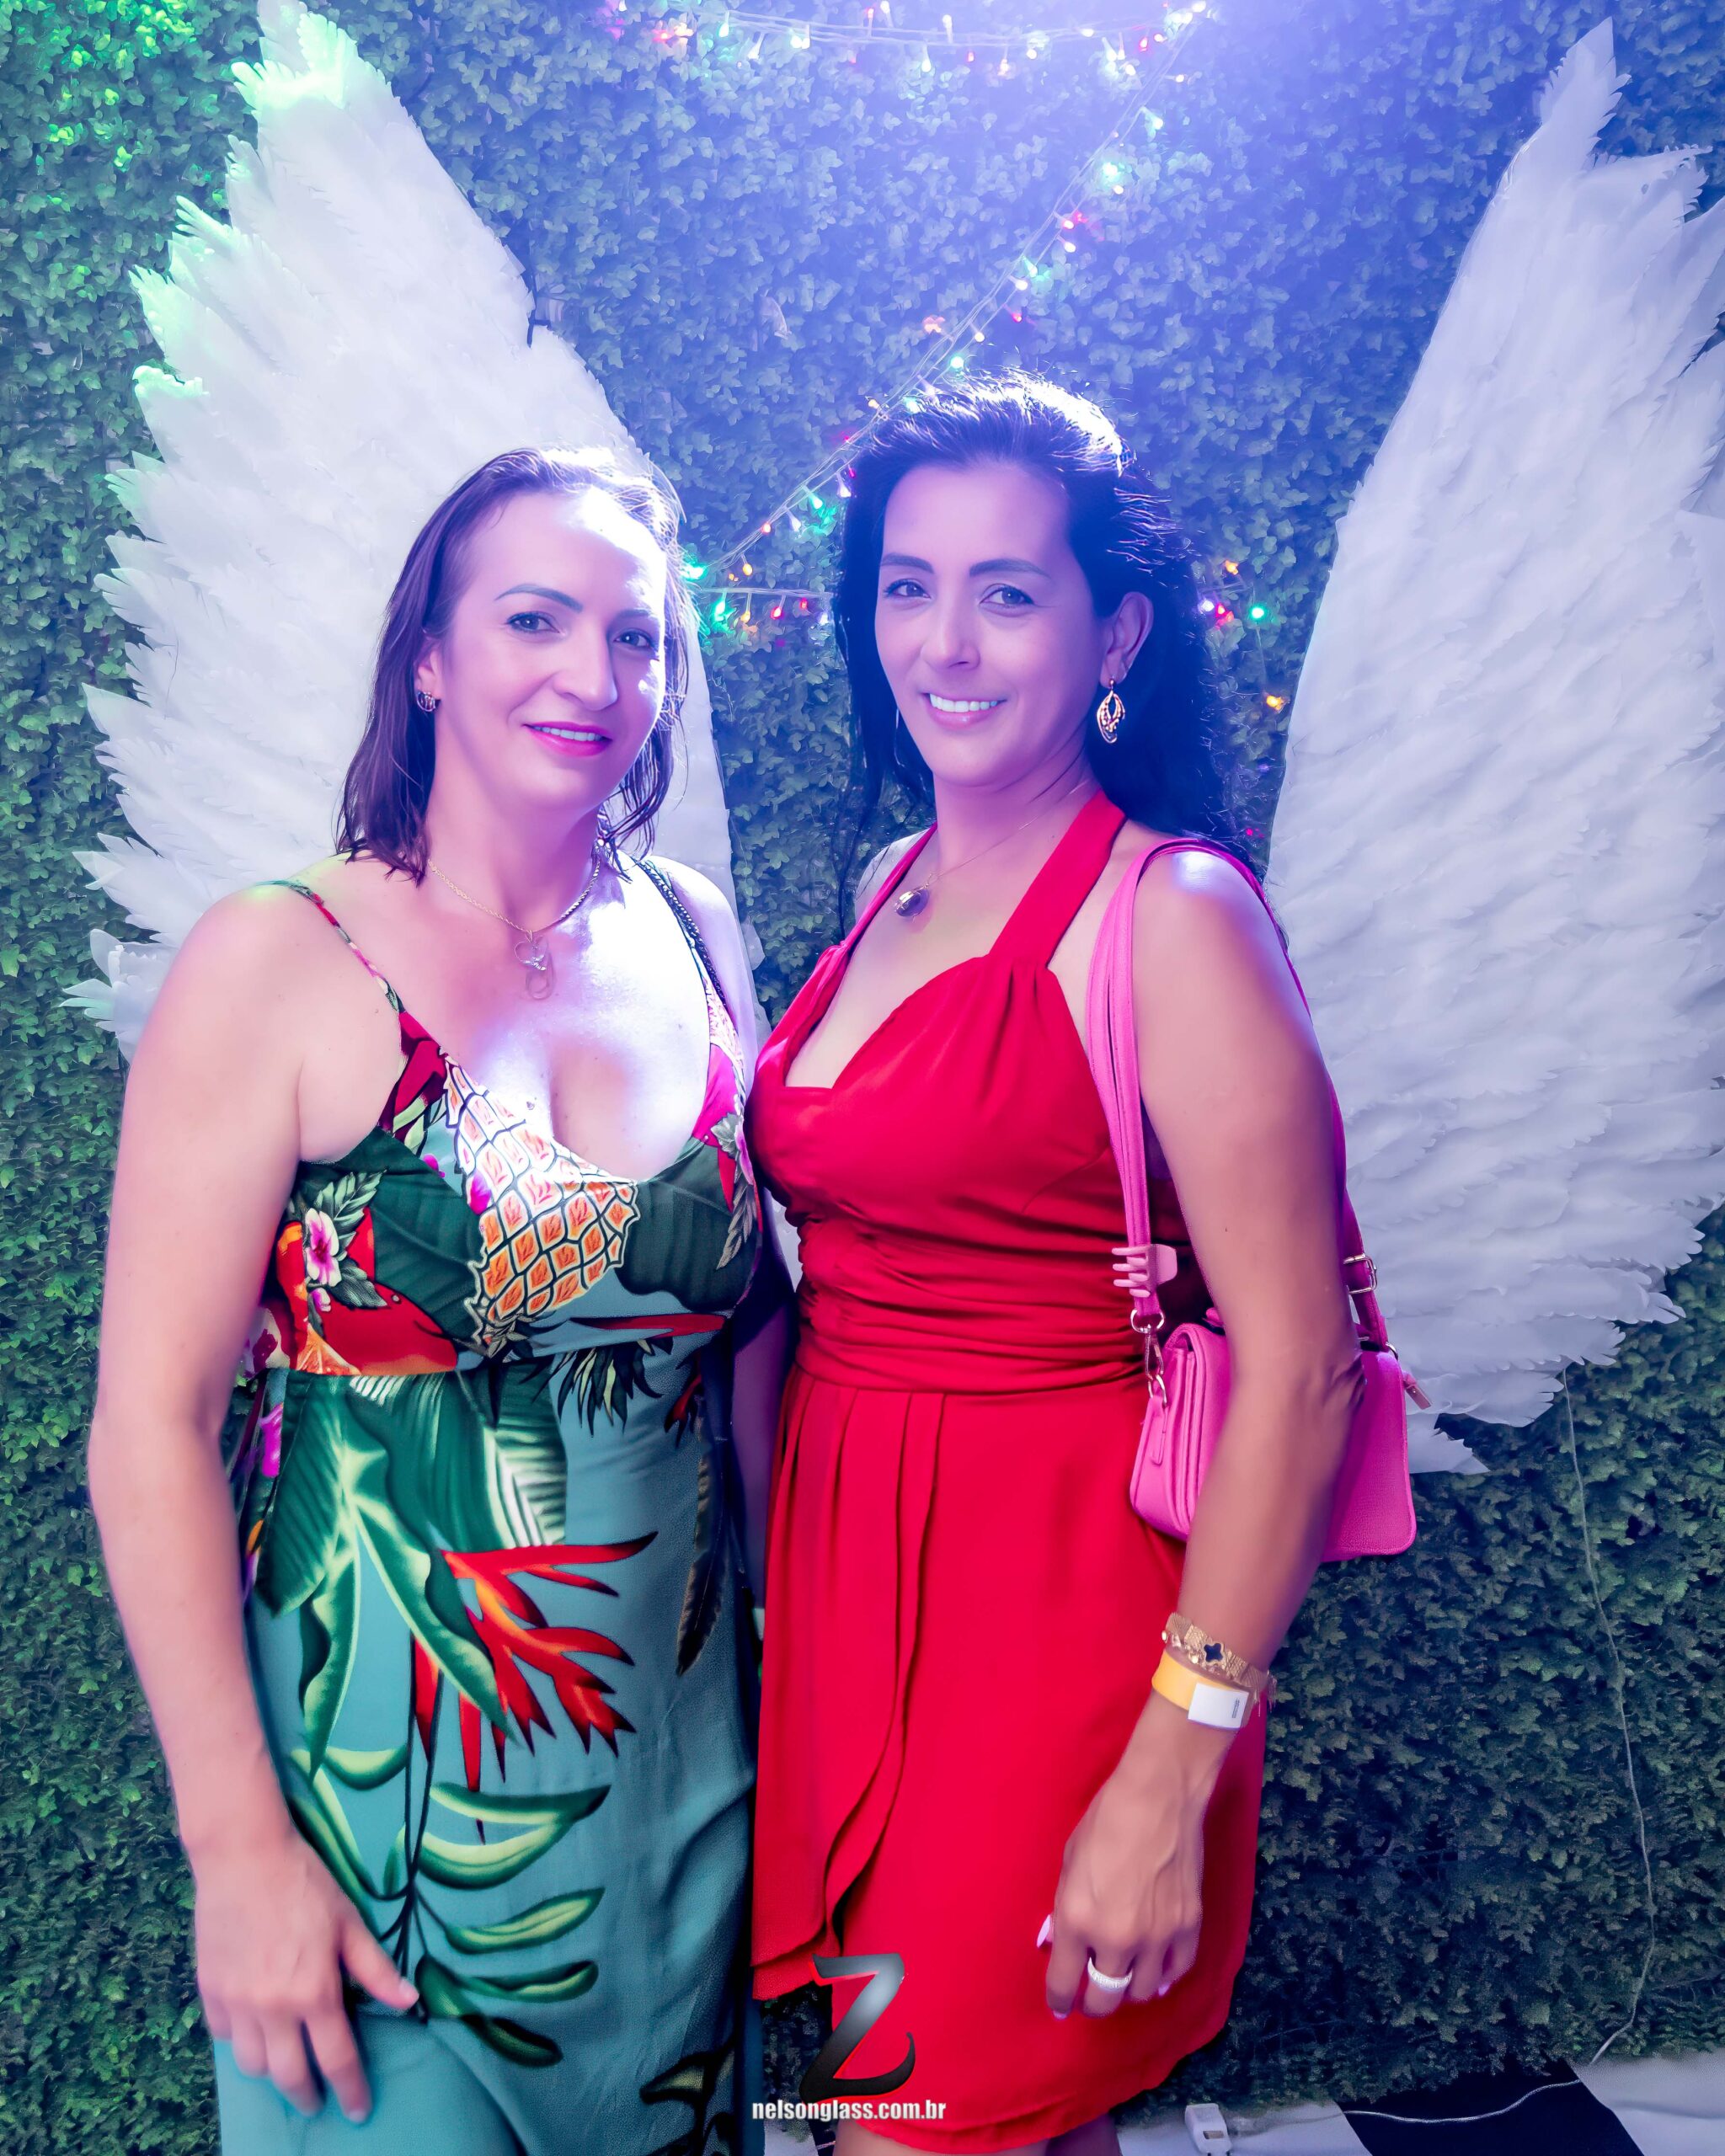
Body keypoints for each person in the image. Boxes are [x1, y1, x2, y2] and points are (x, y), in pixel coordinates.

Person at [88, 447, 785, 2153]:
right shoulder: (276, 958)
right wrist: (235, 1850)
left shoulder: (696, 932)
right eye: (534, 620)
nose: (592, 673)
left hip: (688, 1797)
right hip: (376, 1829)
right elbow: (149, 1428)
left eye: (636, 635)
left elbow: (752, 1339)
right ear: (427, 657)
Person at [746, 376, 1370, 2155]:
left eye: (1006, 592)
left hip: (1055, 1610)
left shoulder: (1175, 916)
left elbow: (1303, 1364)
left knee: (923, 2116)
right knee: (1000, 2110)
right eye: (906, 586)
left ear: (1116, 633)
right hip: (856, 1590)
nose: (943, 643)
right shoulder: (891, 881)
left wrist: (1175, 1759)